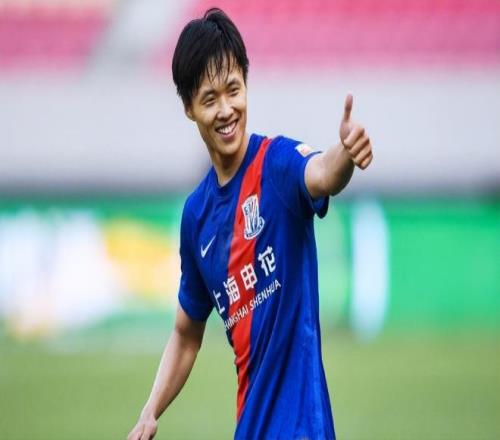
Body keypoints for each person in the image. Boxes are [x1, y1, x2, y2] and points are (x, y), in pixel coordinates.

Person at [128, 7, 372, 440]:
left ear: (246, 83)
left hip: (305, 429)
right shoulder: (196, 217)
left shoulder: (276, 165)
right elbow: (186, 334)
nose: (226, 110)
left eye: (233, 90)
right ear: (189, 108)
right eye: (209, 99)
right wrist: (150, 411)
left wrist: (346, 152)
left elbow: (322, 173)